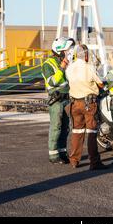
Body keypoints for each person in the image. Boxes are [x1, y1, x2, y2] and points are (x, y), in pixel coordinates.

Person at [66, 44, 108, 171]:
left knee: (76, 132)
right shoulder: (89, 67)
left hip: (74, 104)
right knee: (91, 133)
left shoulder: (69, 68)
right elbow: (100, 83)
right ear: (86, 55)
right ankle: (94, 163)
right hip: (89, 104)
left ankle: (74, 161)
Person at [42, 37, 75, 165]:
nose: (68, 52)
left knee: (66, 128)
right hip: (56, 100)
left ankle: (62, 152)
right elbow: (52, 82)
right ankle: (53, 154)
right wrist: (62, 68)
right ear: (59, 50)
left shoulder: (66, 62)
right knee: (56, 127)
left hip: (66, 98)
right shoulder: (48, 64)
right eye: (66, 50)